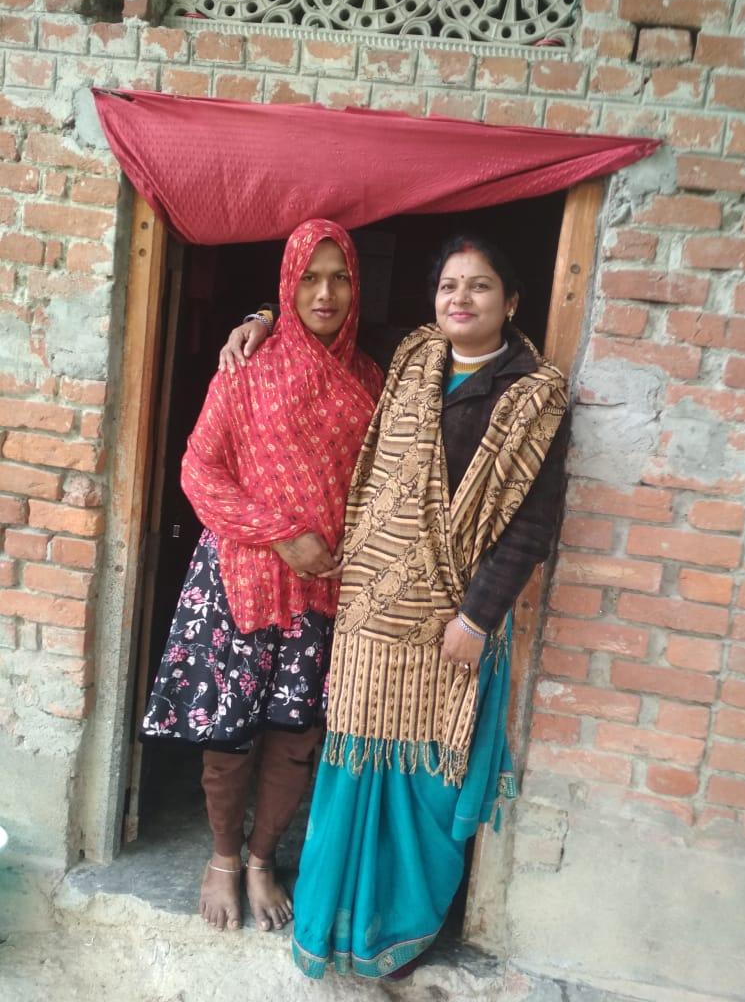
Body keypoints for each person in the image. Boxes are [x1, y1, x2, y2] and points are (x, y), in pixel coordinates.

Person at [221, 234, 568, 978]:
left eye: (480, 286)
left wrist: (477, 617)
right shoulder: (409, 358)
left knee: (426, 785)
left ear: (512, 301)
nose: (461, 299)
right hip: (370, 619)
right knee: (351, 770)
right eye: (448, 286)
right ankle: (334, 926)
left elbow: (531, 525)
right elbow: (323, 322)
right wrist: (260, 317)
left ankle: (399, 931)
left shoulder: (533, 396)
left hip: (454, 623)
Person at [139, 219, 383, 935]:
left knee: (296, 734)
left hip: (325, 588)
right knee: (229, 731)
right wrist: (282, 536)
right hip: (239, 578)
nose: (325, 293)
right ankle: (221, 856)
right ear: (287, 285)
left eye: (340, 278)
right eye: (309, 278)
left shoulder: (371, 380)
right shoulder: (246, 365)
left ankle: (261, 857)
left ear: (357, 287)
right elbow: (198, 469)